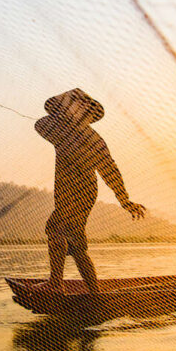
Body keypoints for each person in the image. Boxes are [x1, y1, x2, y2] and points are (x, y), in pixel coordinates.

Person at [32, 89, 146, 294]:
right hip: (66, 192)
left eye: (79, 104)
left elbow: (109, 169)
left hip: (81, 191)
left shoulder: (92, 137)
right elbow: (40, 124)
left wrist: (124, 200)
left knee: (55, 228)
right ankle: (94, 291)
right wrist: (63, 114)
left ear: (88, 112)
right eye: (70, 103)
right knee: (76, 244)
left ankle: (56, 285)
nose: (75, 107)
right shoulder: (61, 130)